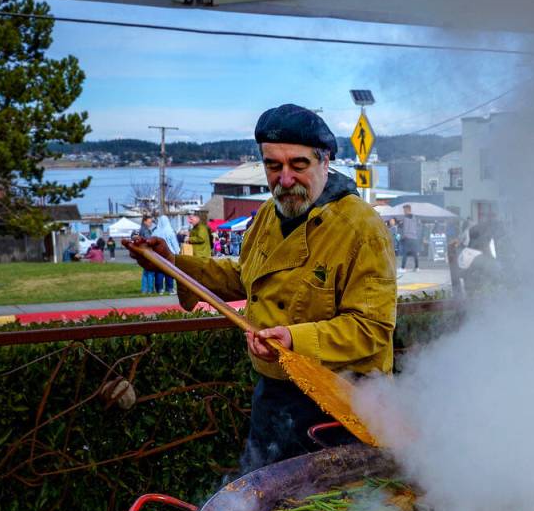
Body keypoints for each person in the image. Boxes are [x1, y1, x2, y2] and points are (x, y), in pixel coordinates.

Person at [124, 103, 396, 471]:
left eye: (298, 165)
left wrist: (293, 339)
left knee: (331, 505)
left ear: (325, 161)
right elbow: (246, 277)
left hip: (343, 404)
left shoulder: (362, 228)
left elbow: (372, 329)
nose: (285, 180)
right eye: (273, 166)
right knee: (260, 495)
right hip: (273, 397)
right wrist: (171, 263)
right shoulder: (268, 213)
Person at [137, 216, 160, 293]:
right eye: (149, 222)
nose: (150, 224)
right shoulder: (146, 230)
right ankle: (150, 289)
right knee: (150, 271)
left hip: (143, 252)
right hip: (148, 252)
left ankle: (144, 290)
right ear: (145, 221)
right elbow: (149, 240)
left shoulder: (141, 229)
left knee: (146, 272)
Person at [398, 205, 421, 272]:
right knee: (415, 253)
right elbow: (417, 227)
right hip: (414, 237)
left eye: (404, 210)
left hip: (408, 237)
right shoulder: (414, 218)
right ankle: (417, 268)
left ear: (407, 209)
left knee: (405, 253)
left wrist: (403, 236)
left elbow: (406, 228)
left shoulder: (405, 218)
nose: (403, 211)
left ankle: (403, 268)